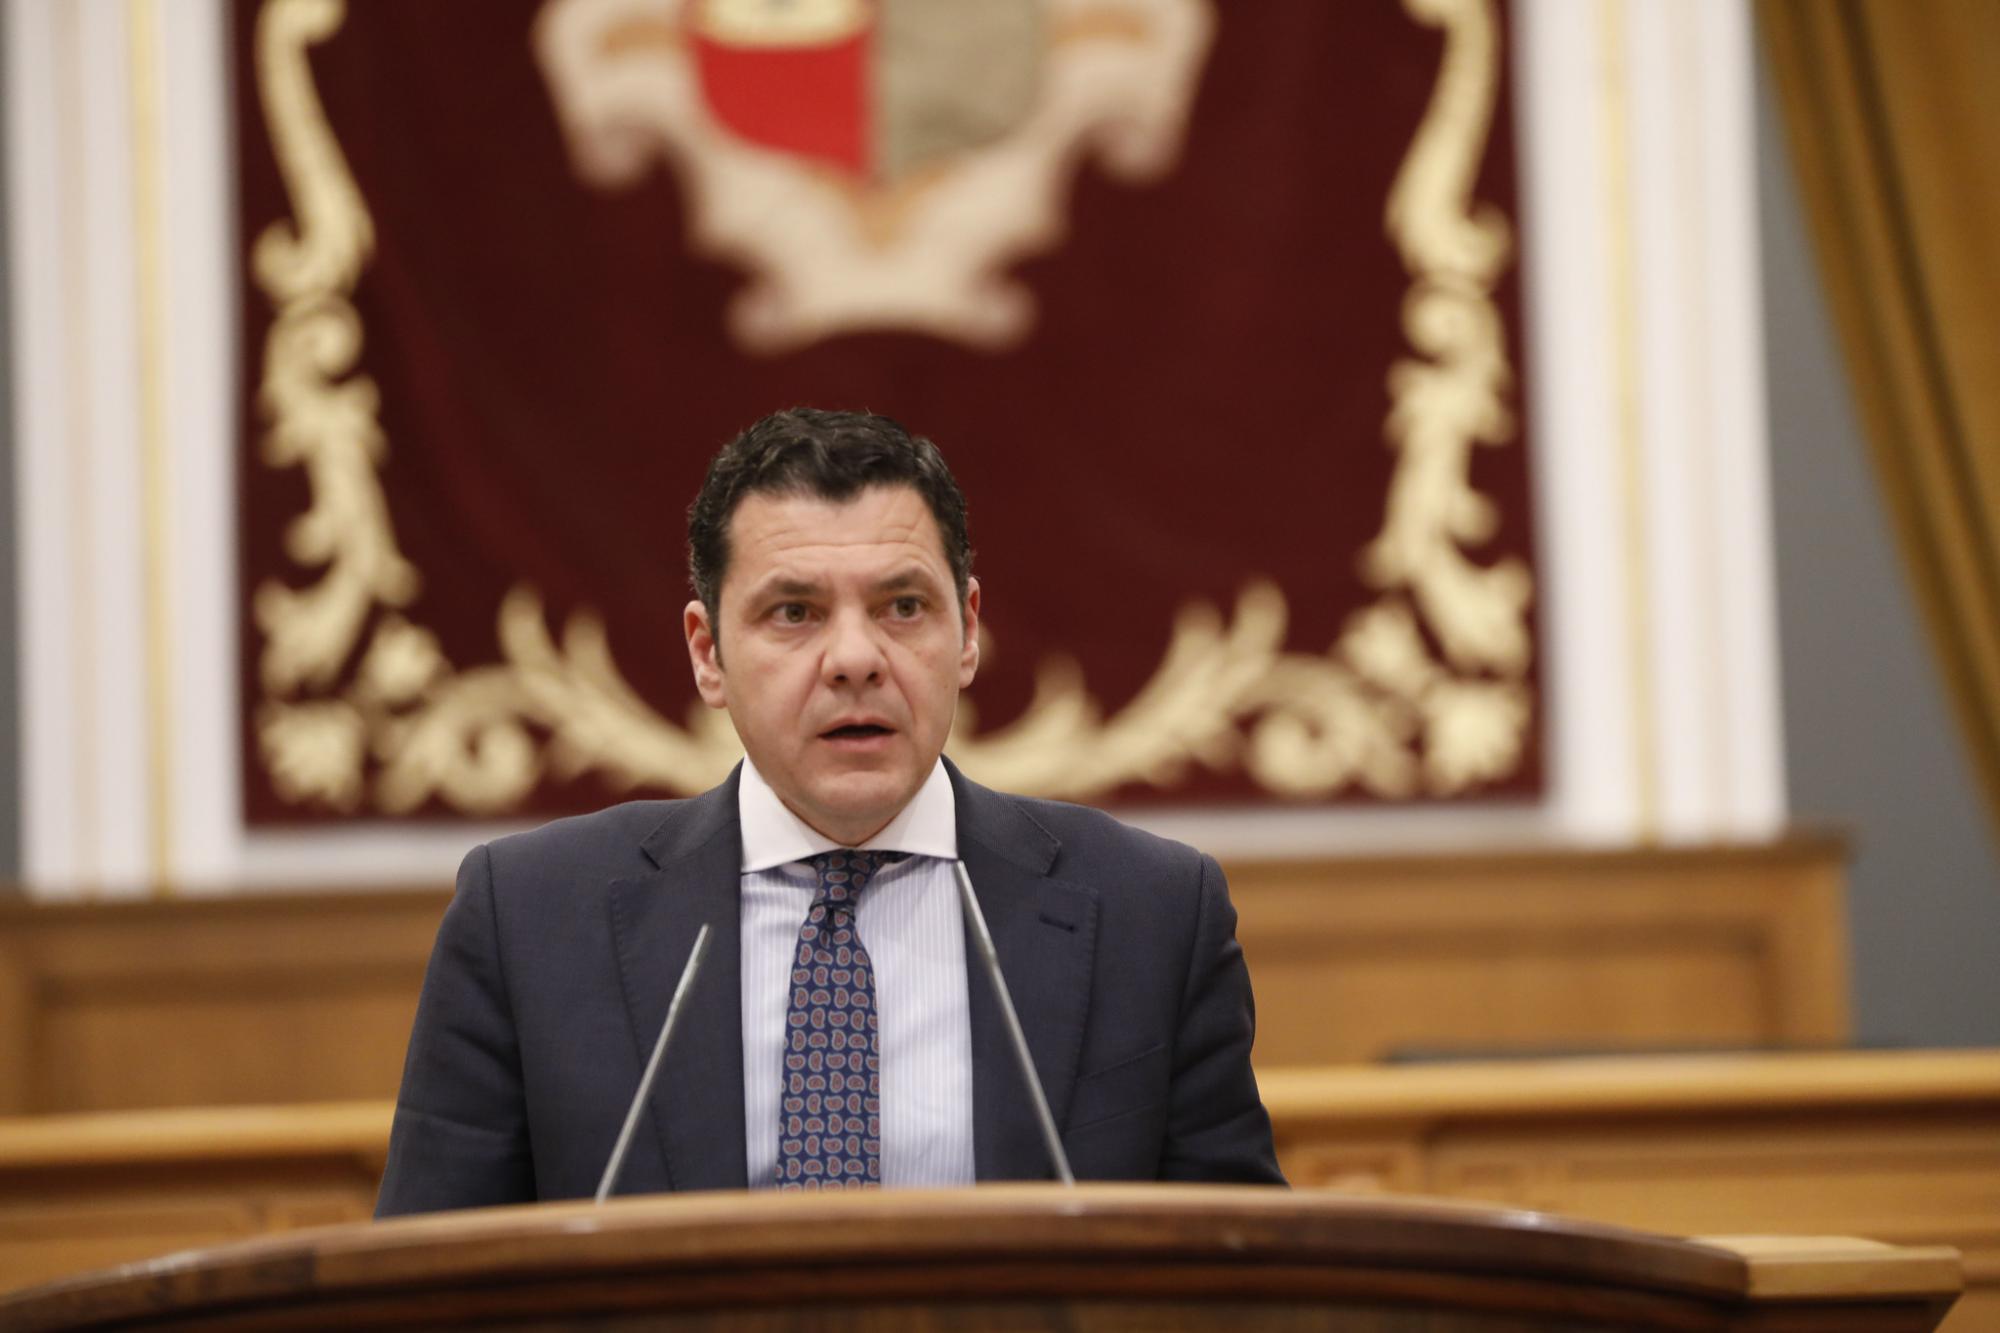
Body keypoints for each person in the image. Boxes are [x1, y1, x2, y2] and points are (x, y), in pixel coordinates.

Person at [375, 408, 1283, 1213]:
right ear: (707, 653)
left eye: (903, 606)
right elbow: (429, 1282)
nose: (856, 658)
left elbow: (1241, 1280)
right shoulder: (528, 918)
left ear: (967, 631)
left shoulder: (1151, 913)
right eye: (794, 612)